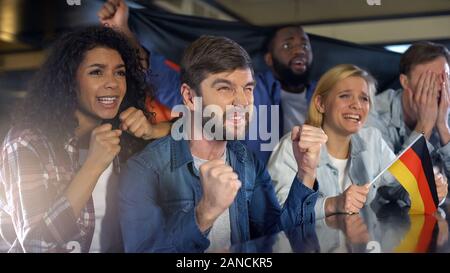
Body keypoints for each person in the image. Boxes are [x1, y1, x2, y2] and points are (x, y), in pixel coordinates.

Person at [118, 35, 327, 253]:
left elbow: (275, 238)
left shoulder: (246, 161)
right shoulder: (143, 170)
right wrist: (204, 214)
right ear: (189, 98)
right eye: (225, 88)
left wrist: (305, 172)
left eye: (247, 88)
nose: (242, 102)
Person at [0, 26, 169, 252]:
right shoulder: (26, 143)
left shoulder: (124, 136)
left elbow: (211, 128)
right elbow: (37, 246)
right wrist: (92, 166)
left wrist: (153, 131)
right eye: (96, 72)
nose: (113, 83)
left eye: (119, 72)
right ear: (70, 80)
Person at [96, 0, 316, 164]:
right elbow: (168, 84)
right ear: (269, 59)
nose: (299, 50)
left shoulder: (324, 95)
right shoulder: (250, 88)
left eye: (305, 45)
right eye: (288, 45)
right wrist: (122, 30)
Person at [268, 64, 448, 219]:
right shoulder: (293, 146)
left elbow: (397, 190)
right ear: (321, 104)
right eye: (345, 96)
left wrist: (429, 191)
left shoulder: (372, 140)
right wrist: (333, 204)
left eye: (364, 98)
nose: (357, 105)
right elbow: (278, 214)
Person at [366, 42, 450, 184]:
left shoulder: (446, 108)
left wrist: (443, 126)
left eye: (444, 79)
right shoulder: (372, 114)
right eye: (428, 80)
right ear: (405, 82)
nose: (438, 88)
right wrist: (424, 126)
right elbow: (387, 185)